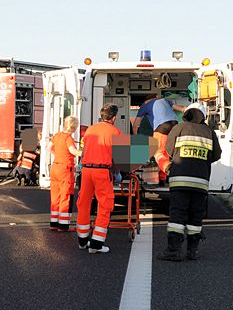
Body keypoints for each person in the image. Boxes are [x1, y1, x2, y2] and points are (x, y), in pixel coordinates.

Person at [157, 102, 222, 261]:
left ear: (187, 113)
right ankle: (192, 252)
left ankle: (173, 252)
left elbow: (169, 150)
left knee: (177, 215)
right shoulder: (209, 132)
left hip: (180, 181)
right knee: (195, 217)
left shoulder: (178, 128)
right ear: (203, 115)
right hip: (200, 182)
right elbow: (216, 155)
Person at [76, 104, 122, 253]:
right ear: (114, 118)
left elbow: (84, 150)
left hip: (87, 170)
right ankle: (96, 243)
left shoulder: (90, 130)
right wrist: (117, 173)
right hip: (102, 172)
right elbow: (119, 157)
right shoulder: (115, 132)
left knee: (84, 203)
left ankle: (82, 240)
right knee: (105, 204)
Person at [133, 94, 185, 180]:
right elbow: (182, 109)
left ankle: (170, 170)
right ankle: (162, 178)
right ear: (155, 98)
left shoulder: (145, 105)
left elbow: (135, 126)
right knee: (166, 153)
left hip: (162, 126)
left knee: (158, 153)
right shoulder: (164, 100)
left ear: (146, 100)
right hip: (175, 125)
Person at [49, 116, 81, 231]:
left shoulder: (57, 135)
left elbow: (49, 148)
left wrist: (58, 155)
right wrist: (83, 153)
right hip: (65, 169)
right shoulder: (68, 138)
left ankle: (54, 223)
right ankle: (63, 225)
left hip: (55, 167)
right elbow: (73, 151)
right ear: (73, 127)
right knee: (66, 196)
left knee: (55, 196)